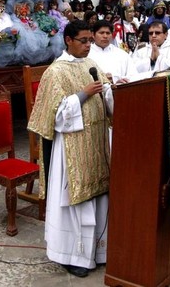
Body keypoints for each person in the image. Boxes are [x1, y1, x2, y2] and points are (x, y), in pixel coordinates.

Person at [27, 19, 113, 278]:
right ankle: (71, 255)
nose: (89, 45)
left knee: (98, 199)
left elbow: (106, 92)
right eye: (84, 41)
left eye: (90, 40)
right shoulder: (55, 72)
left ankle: (98, 251)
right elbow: (53, 116)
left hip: (95, 141)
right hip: (71, 149)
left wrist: (113, 90)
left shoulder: (90, 63)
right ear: (68, 40)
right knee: (74, 204)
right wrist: (83, 94)